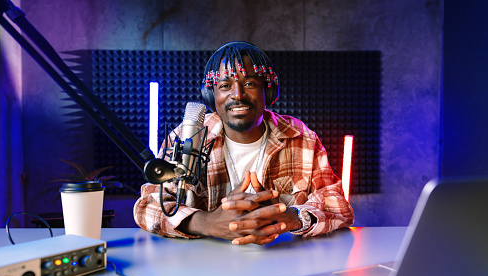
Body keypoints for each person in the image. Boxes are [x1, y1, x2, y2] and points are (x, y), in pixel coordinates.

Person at [134, 41, 354, 245]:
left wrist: (289, 217)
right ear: (211, 96)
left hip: (281, 261)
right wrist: (207, 222)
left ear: (268, 91)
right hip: (204, 269)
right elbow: (148, 206)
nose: (237, 95)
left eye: (249, 83)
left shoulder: (301, 138)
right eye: (225, 85)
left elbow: (338, 205)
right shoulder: (187, 137)